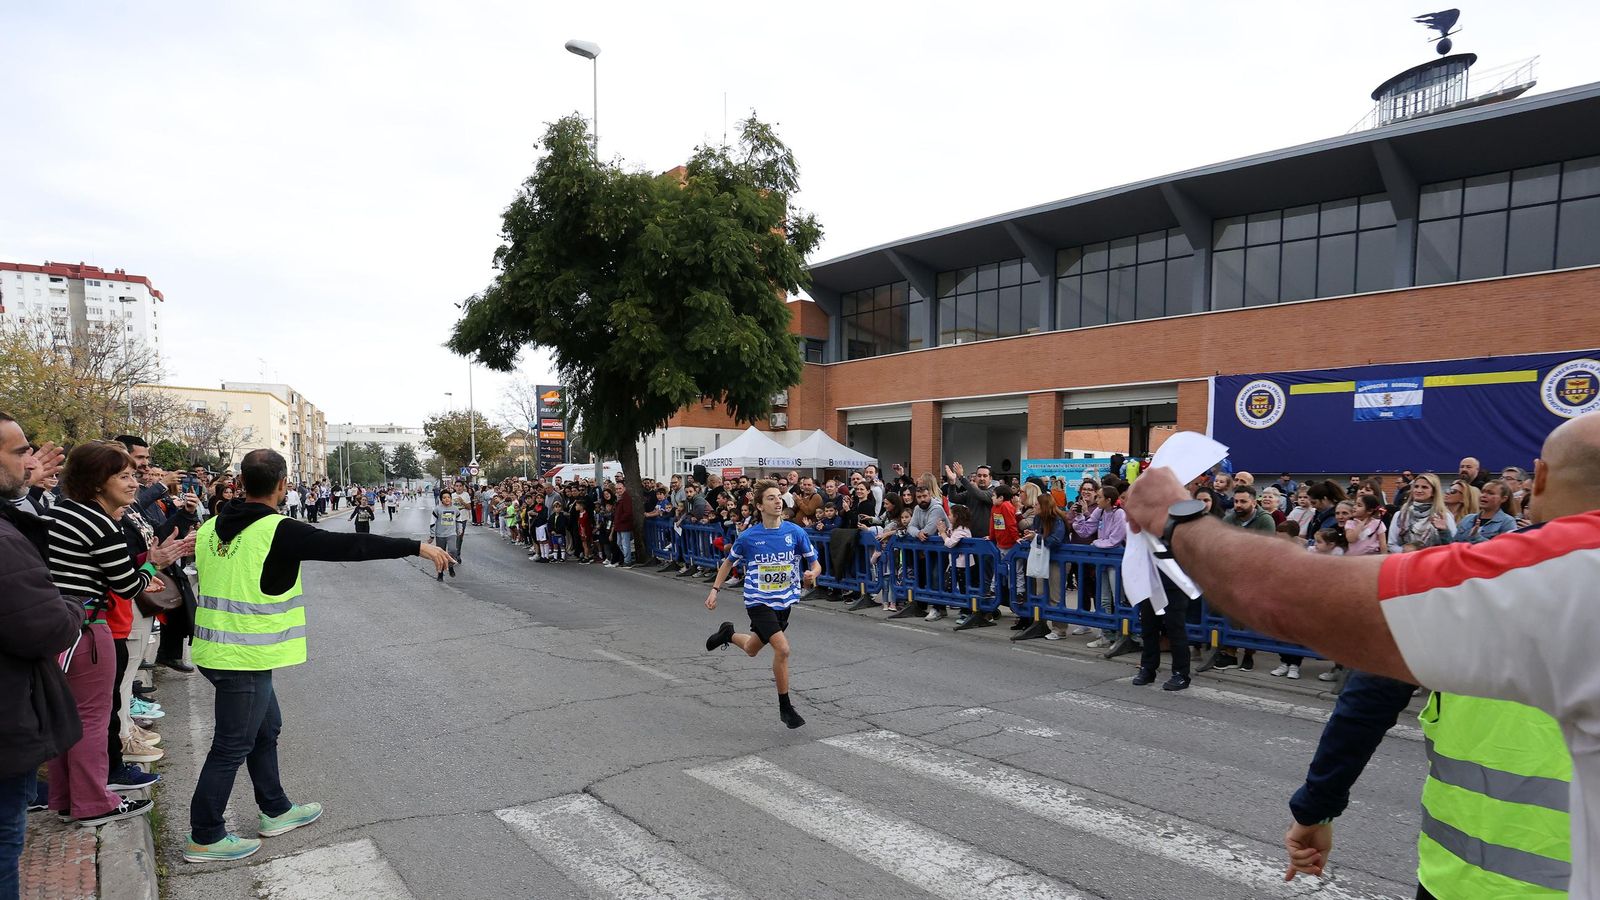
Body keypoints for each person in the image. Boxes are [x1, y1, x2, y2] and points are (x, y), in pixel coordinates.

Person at [1122, 413, 1600, 894]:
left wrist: (1176, 516)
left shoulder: (1554, 577)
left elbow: (1287, 598)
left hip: (1472, 881)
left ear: (1537, 479)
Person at [184, 449, 453, 862]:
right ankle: (205, 834)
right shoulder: (278, 529)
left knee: (265, 730)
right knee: (231, 745)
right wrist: (415, 546)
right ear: (282, 484)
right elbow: (350, 546)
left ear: (240, 482)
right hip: (244, 657)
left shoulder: (210, 527)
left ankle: (275, 809)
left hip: (216, 651)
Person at [45, 442, 188, 827]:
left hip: (59, 628)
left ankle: (64, 797)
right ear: (97, 482)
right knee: (92, 718)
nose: (134, 483)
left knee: (66, 717)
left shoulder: (62, 512)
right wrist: (149, 571)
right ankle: (94, 801)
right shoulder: (100, 523)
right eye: (123, 476)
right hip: (88, 627)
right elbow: (125, 585)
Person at [0, 414, 83, 894]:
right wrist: (70, 606)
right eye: (19, 453)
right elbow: (44, 625)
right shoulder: (4, 540)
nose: (30, 462)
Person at [703, 479, 820, 729]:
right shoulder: (749, 537)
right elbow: (728, 562)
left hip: (784, 602)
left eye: (779, 496)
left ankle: (728, 634)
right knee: (783, 649)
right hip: (758, 601)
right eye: (771, 498)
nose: (778, 501)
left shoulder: (795, 532)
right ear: (759, 505)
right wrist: (715, 590)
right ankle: (786, 708)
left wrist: (813, 574)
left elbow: (814, 562)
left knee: (752, 648)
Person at [429, 493, 462, 580]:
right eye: (444, 498)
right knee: (440, 555)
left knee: (453, 550)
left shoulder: (455, 509)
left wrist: (459, 529)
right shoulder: (437, 509)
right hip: (440, 535)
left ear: (451, 499)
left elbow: (459, 519)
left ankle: (450, 566)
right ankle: (440, 573)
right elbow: (432, 522)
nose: (447, 499)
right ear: (441, 500)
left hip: (451, 534)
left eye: (448, 497)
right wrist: (432, 535)